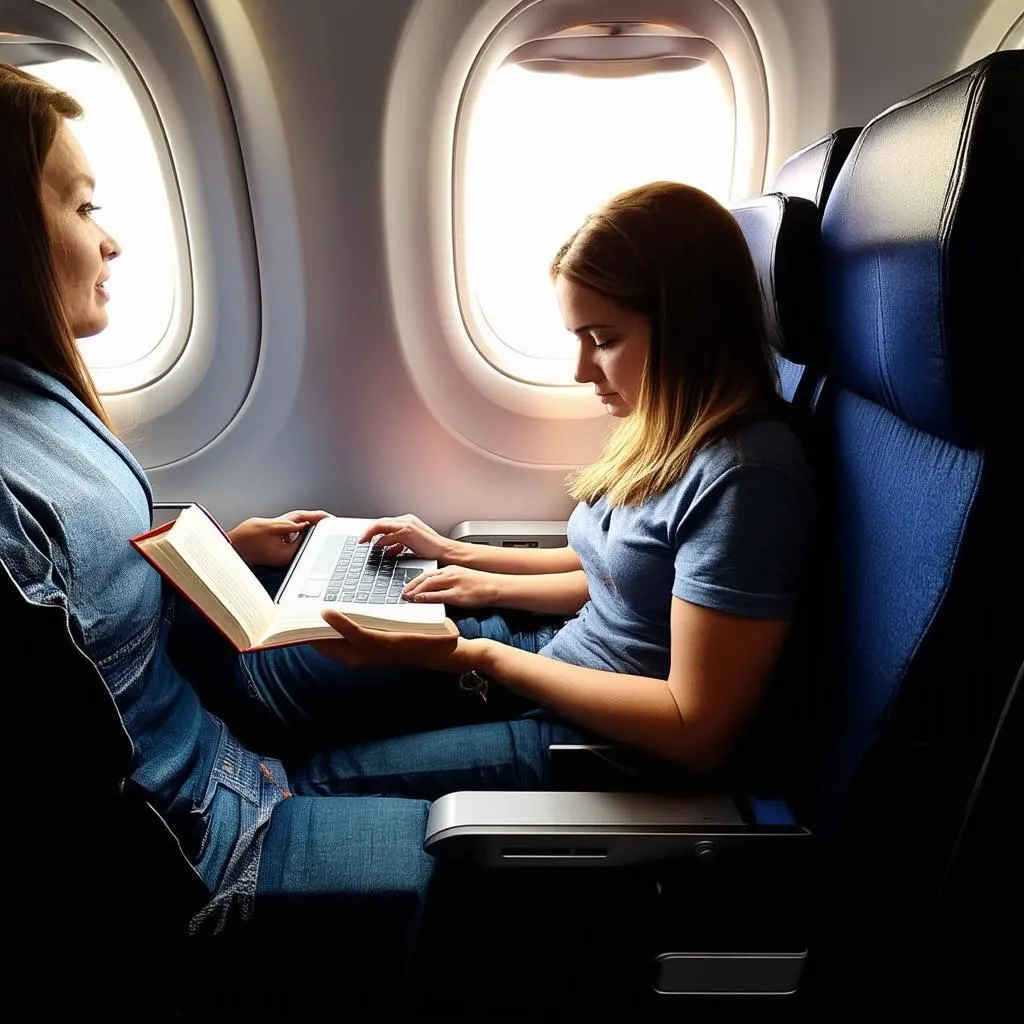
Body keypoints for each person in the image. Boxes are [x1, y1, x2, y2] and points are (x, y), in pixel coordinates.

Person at [0, 63, 814, 1010]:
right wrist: (466, 565)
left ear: (687, 326)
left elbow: (698, 730)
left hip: (599, 735)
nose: (583, 368)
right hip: (569, 674)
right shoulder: (675, 436)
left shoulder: (748, 473)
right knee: (311, 751)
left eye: (603, 337)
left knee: (317, 777)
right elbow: (611, 577)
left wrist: (475, 655)